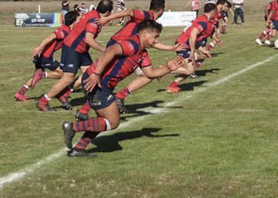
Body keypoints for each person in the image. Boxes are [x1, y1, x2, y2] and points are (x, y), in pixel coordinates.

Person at [62, 20, 187, 157]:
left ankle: (79, 149)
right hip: (97, 84)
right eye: (155, 37)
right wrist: (97, 74)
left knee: (102, 120)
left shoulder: (142, 52)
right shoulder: (132, 44)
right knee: (113, 122)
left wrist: (169, 69)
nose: (156, 41)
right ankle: (72, 127)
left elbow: (150, 73)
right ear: (145, 34)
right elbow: (110, 50)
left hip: (103, 86)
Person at [36, 0, 113, 112]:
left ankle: (65, 94)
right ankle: (43, 101)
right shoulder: (93, 21)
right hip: (73, 48)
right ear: (107, 12)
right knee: (68, 78)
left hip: (81, 49)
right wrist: (105, 50)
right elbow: (89, 40)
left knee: (91, 73)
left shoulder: (93, 14)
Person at [14, 10, 79, 102]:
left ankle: (20, 93)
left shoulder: (65, 28)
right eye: (79, 19)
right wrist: (40, 47)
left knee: (36, 77)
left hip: (41, 55)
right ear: (74, 21)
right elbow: (51, 36)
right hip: (46, 56)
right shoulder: (65, 31)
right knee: (63, 74)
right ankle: (43, 75)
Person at [167, 3, 216, 93]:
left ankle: (172, 86)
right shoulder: (203, 22)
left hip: (185, 44)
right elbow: (192, 35)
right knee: (189, 70)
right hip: (183, 45)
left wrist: (202, 50)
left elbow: (194, 38)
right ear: (213, 11)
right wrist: (193, 51)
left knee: (190, 70)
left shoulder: (201, 19)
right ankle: (164, 70)